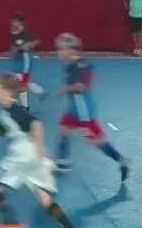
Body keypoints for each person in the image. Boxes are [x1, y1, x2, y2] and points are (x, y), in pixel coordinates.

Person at [0, 74, 88, 228]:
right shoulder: (6, 111)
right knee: (44, 197)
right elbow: (0, 130)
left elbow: (36, 124)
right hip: (31, 157)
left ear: (7, 93)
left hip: (23, 155)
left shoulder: (15, 110)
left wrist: (39, 148)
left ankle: (9, 224)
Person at [54, 33, 131, 183]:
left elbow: (81, 86)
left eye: (61, 49)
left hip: (83, 110)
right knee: (63, 128)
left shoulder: (79, 65)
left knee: (96, 140)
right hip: (74, 107)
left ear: (71, 49)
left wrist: (64, 88)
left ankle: (121, 161)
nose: (58, 52)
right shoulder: (71, 64)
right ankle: (62, 163)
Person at [8, 12, 40, 107]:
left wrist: (28, 45)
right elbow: (12, 47)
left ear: (21, 22)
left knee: (23, 83)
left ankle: (25, 106)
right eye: (13, 21)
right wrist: (13, 53)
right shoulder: (12, 33)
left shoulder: (26, 32)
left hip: (26, 60)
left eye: (16, 21)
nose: (14, 23)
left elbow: (36, 41)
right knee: (18, 81)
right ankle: (40, 91)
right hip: (17, 61)